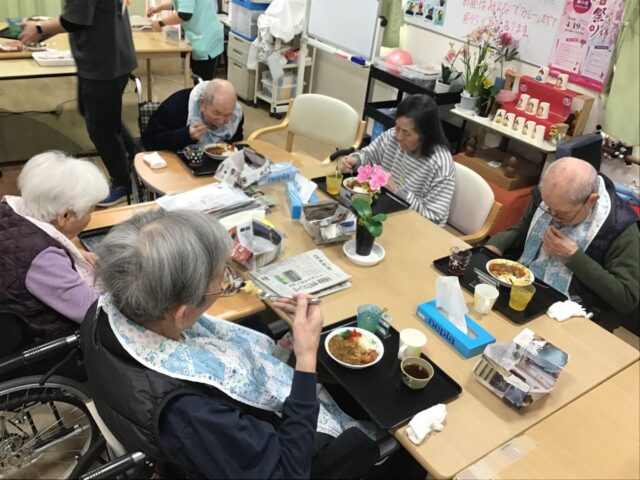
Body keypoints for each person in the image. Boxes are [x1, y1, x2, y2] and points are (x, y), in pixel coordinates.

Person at [80, 209, 380, 478]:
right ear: (182, 313)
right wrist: (305, 356)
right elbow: (289, 472)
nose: (226, 281)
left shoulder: (108, 309)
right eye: (221, 280)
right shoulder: (191, 414)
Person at [486, 157, 639, 330]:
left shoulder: (621, 228)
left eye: (561, 214)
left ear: (591, 200)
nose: (552, 216)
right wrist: (494, 247)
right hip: (524, 286)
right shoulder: (549, 196)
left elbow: (627, 299)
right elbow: (524, 228)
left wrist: (574, 257)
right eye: (547, 208)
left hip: (572, 312)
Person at [19, 0, 137, 207]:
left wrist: (39, 28)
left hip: (103, 64)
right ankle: (135, 156)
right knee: (99, 116)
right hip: (110, 56)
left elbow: (75, 20)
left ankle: (123, 183)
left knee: (102, 129)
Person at [0, 151, 108, 342]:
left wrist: (73, 252)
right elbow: (92, 311)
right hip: (44, 339)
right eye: (90, 211)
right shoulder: (43, 259)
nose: (90, 218)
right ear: (64, 216)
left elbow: (20, 253)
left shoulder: (10, 211)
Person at [338, 94, 455, 226]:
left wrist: (396, 192)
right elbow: (369, 156)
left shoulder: (440, 164)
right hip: (386, 212)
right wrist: (355, 161)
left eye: (406, 132)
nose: (398, 136)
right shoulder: (392, 136)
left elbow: (434, 217)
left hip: (417, 226)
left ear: (425, 134)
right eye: (397, 127)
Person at [142, 79, 244, 152]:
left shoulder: (236, 113)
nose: (221, 121)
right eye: (216, 113)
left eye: (227, 115)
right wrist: (185, 135)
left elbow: (236, 141)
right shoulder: (175, 108)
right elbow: (149, 142)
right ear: (202, 104)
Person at [147, 0, 224, 81]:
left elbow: (184, 15)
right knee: (199, 79)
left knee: (204, 82)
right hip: (202, 36)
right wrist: (158, 8)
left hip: (207, 38)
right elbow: (180, 4)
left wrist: (160, 23)